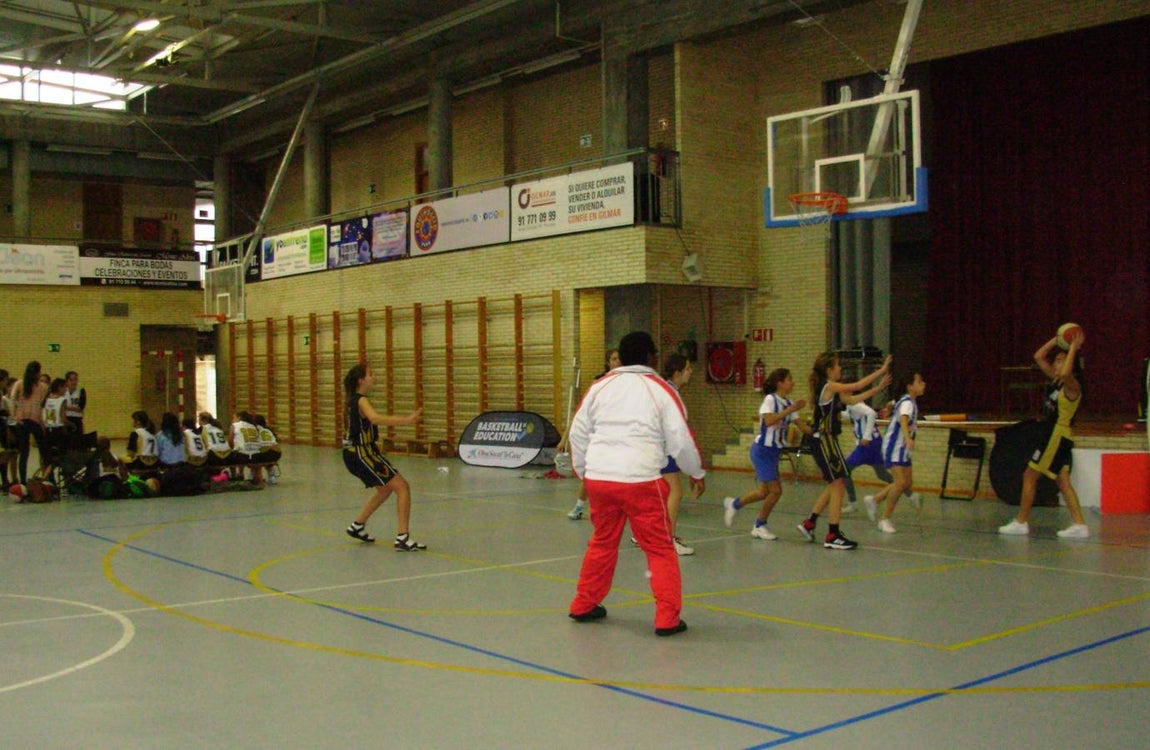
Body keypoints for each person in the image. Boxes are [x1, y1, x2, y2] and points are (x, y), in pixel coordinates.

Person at [567, 331, 705, 637]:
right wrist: (695, 471)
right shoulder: (660, 389)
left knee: (602, 542)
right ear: (650, 357)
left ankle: (583, 603)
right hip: (641, 480)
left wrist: (584, 472)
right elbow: (681, 439)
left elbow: (578, 433)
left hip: (600, 479)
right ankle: (667, 618)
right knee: (659, 548)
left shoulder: (599, 387)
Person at [796, 353, 891, 550]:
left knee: (835, 484)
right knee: (838, 484)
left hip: (827, 440)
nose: (840, 368)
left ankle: (810, 523)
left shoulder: (832, 390)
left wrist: (878, 388)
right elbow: (857, 385)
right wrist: (881, 370)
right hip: (824, 440)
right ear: (829, 370)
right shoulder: (829, 386)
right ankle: (833, 534)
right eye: (838, 365)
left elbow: (854, 399)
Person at [999, 332, 1089, 538]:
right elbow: (1038, 356)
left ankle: (1021, 522)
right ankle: (1080, 525)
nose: (1056, 363)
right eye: (1056, 360)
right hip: (1055, 435)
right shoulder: (1056, 381)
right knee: (1063, 481)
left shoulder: (1072, 385)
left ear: (1071, 364)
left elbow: (1066, 373)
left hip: (1057, 435)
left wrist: (1073, 348)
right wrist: (1057, 340)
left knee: (1029, 475)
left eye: (1061, 360)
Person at [342, 363, 427, 550]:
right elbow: (375, 418)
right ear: (361, 380)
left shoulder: (351, 400)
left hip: (357, 453)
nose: (375, 377)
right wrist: (407, 420)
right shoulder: (361, 400)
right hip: (362, 453)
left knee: (385, 489)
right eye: (370, 374)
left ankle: (357, 526)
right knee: (402, 487)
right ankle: (403, 537)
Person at [721, 367, 806, 540]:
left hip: (774, 452)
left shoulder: (789, 404)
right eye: (789, 379)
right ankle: (759, 525)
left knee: (763, 492)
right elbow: (769, 421)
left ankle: (734, 504)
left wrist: (820, 431)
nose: (792, 382)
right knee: (776, 491)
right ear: (780, 383)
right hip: (762, 450)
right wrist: (790, 410)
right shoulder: (770, 399)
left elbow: (802, 427)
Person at [863, 372, 926, 533]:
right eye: (919, 382)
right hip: (894, 448)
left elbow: (893, 405)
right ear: (910, 387)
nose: (923, 384)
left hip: (902, 449)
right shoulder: (908, 403)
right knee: (900, 483)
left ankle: (875, 500)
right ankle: (884, 519)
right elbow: (903, 419)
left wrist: (889, 407)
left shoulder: (907, 400)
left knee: (906, 482)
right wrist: (908, 438)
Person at [566, 347, 621, 520]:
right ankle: (579, 505)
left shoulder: (628, 383)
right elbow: (583, 412)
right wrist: (564, 438)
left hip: (618, 434)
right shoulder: (598, 383)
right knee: (592, 472)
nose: (617, 362)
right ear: (608, 362)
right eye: (613, 359)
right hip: (598, 434)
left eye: (619, 358)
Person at [9, 361, 49, 485]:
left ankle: (23, 481)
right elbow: (41, 405)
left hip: (24, 421)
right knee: (43, 452)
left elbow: (12, 400)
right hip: (34, 420)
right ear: (37, 373)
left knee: (25, 453)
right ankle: (47, 478)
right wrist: (14, 416)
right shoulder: (41, 386)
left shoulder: (21, 384)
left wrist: (15, 416)